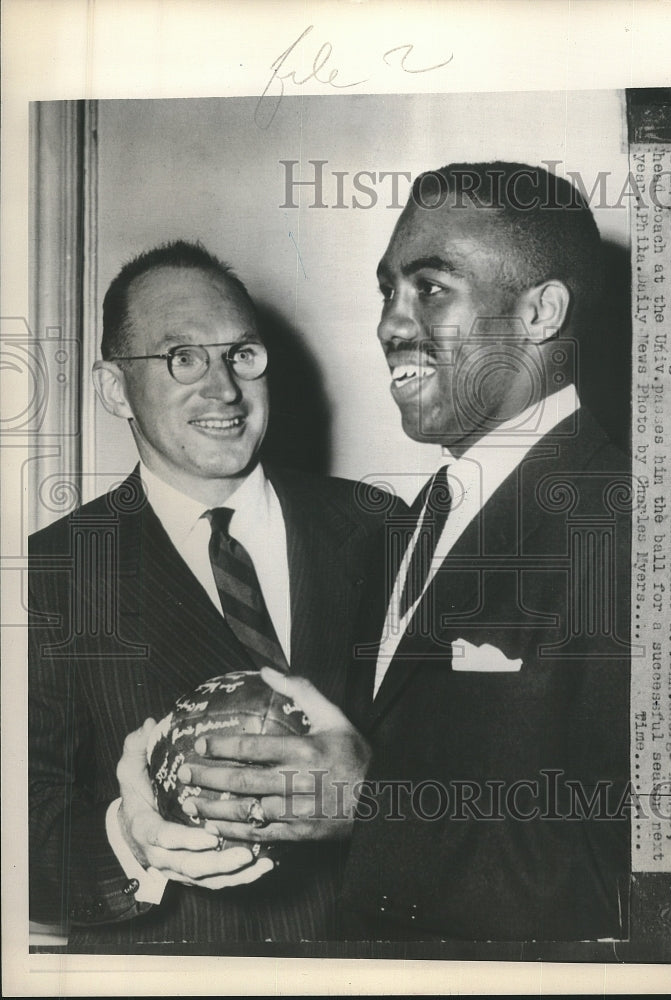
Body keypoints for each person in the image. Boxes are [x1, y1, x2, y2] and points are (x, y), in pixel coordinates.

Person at [143, 163, 633, 944]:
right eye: (387, 291)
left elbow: (641, 878)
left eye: (430, 287)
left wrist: (373, 811)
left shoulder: (636, 526)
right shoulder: (403, 527)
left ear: (540, 312)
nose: (389, 326)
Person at [27, 240, 386, 949]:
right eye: (182, 358)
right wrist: (128, 842)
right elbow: (20, 824)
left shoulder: (381, 528)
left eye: (241, 355)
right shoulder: (51, 574)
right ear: (111, 388)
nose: (223, 389)